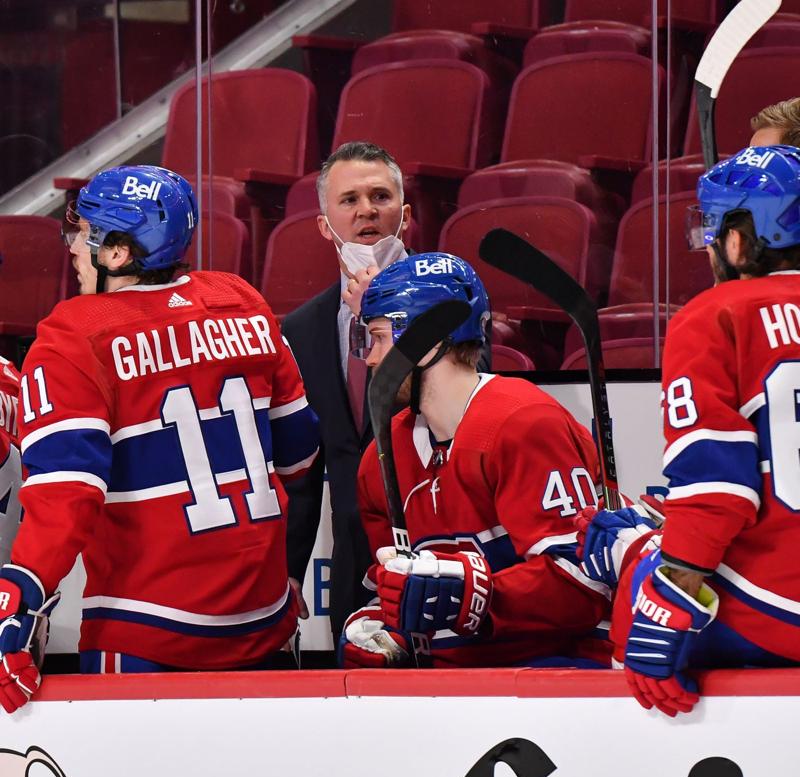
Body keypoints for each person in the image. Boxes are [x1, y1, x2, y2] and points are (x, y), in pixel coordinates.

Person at [0, 165, 320, 713]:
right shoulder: (243, 301)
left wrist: (21, 595)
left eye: (83, 232)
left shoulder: (75, 334)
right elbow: (299, 451)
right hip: (263, 618)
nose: (74, 246)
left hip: (145, 630)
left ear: (119, 253)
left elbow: (65, 497)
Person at [578, 145, 800, 717]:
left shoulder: (715, 313)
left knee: (637, 579)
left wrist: (667, 591)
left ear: (739, 239)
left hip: (774, 616)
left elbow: (717, 491)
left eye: (713, 228)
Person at [339, 252, 612, 668]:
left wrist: (477, 596)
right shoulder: (383, 455)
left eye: (378, 337)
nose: (371, 358)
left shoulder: (524, 424)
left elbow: (584, 584)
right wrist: (381, 628)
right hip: (451, 684)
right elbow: (393, 587)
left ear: (429, 342)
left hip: (553, 674)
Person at [281, 141, 411, 640]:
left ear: (404, 214)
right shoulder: (304, 326)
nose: (366, 212)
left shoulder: (452, 297)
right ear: (324, 223)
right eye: (349, 200)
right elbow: (303, 466)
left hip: (440, 550)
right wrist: (291, 573)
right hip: (352, 563)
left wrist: (381, 312)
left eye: (380, 196)